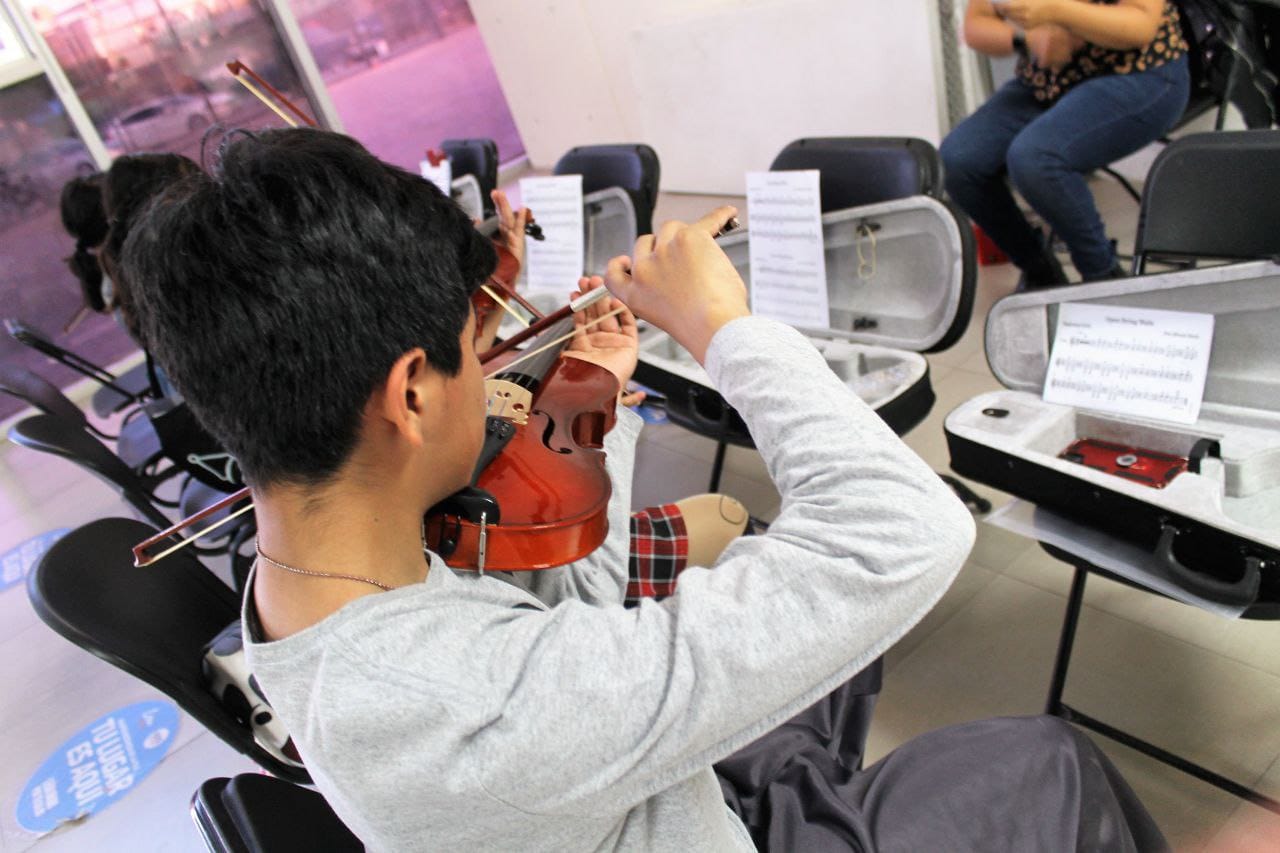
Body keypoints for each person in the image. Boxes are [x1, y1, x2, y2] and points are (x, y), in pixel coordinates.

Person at [124, 128, 1166, 851]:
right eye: (471, 353)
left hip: (641, 801)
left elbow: (587, 603)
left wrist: (589, 395)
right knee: (1048, 759)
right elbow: (904, 531)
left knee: (828, 660)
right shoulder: (467, 709)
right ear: (409, 393)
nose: (496, 378)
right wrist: (726, 328)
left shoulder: (306, 570)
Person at [941, 0, 1191, 287]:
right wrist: (1026, 39)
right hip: (1048, 80)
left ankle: (1103, 276)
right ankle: (1039, 271)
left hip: (1139, 72)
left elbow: (1140, 27)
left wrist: (1055, 11)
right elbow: (976, 25)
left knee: (1036, 157)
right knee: (958, 161)